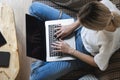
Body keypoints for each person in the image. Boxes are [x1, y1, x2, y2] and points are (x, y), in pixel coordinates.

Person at [29, 0, 120, 80]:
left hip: (81, 52)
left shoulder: (108, 41)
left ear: (96, 29)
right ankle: (45, 48)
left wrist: (70, 50)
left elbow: (99, 64)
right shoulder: (105, 4)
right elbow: (87, 14)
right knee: (34, 7)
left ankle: (43, 50)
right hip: (76, 29)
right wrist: (71, 26)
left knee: (35, 78)